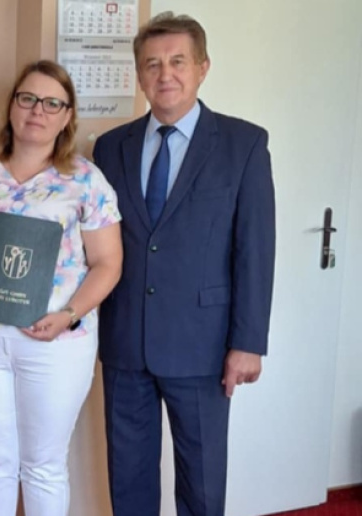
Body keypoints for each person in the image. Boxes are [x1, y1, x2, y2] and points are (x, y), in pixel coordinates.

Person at [92, 12, 276, 516]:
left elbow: (255, 250)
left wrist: (248, 342)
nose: (165, 74)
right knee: (128, 478)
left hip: (204, 346)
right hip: (126, 340)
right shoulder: (110, 148)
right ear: (139, 74)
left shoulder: (244, 145)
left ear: (202, 68)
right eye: (152, 64)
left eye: (178, 61)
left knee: (201, 484)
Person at [0, 60, 122, 516]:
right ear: (12, 106)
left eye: (52, 103)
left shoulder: (86, 181)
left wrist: (69, 314)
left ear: (67, 116)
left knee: (44, 467)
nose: (38, 110)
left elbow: (108, 263)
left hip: (56, 344)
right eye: (28, 98)